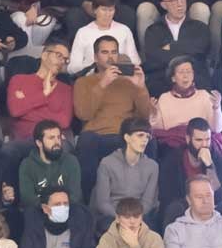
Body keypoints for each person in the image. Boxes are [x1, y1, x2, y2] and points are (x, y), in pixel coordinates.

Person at [72, 35, 151, 197]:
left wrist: (141, 88)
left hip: (125, 135)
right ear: (95, 57)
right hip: (96, 135)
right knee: (86, 141)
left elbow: (145, 116)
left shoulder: (129, 81)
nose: (110, 57)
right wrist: (102, 84)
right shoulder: (83, 82)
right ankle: (89, 199)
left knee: (149, 140)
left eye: (114, 52)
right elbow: (83, 114)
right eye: (105, 52)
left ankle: (144, 202)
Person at [91, 118, 158, 231]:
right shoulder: (107, 163)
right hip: (113, 215)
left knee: (149, 228)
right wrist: (121, 219)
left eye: (147, 137)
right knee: (108, 227)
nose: (145, 140)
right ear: (127, 137)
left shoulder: (152, 166)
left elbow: (147, 202)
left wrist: (134, 219)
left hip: (139, 215)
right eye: (140, 135)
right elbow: (103, 202)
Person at [17, 120, 81, 208]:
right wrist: (49, 208)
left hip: (67, 208)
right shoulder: (27, 165)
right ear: (39, 143)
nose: (57, 142)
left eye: (58, 137)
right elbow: (28, 199)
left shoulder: (71, 161)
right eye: (51, 138)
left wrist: (60, 207)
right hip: (40, 210)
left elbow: (75, 195)